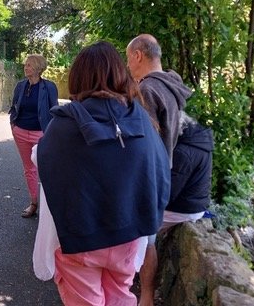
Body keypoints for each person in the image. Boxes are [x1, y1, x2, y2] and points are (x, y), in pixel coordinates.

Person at [36, 41, 170, 305]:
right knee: (120, 296)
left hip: (81, 238)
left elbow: (47, 169)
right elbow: (160, 172)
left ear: (78, 77)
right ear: (119, 73)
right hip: (128, 236)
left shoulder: (63, 124)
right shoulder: (141, 118)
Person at [126, 34, 192, 306]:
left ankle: (141, 296)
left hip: (145, 177)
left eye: (128, 58)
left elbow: (141, 140)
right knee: (148, 239)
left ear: (138, 55)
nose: (128, 65)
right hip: (163, 172)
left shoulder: (149, 90)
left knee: (139, 239)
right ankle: (147, 296)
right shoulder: (171, 86)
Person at [9, 54, 58, 218]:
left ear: (38, 68)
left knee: (47, 169)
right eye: (26, 64)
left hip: (41, 134)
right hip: (21, 132)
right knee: (29, 169)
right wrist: (13, 125)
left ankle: (51, 206)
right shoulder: (20, 85)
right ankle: (34, 203)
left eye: (29, 65)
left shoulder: (49, 87)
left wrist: (50, 133)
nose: (26, 67)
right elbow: (14, 107)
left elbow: (55, 111)